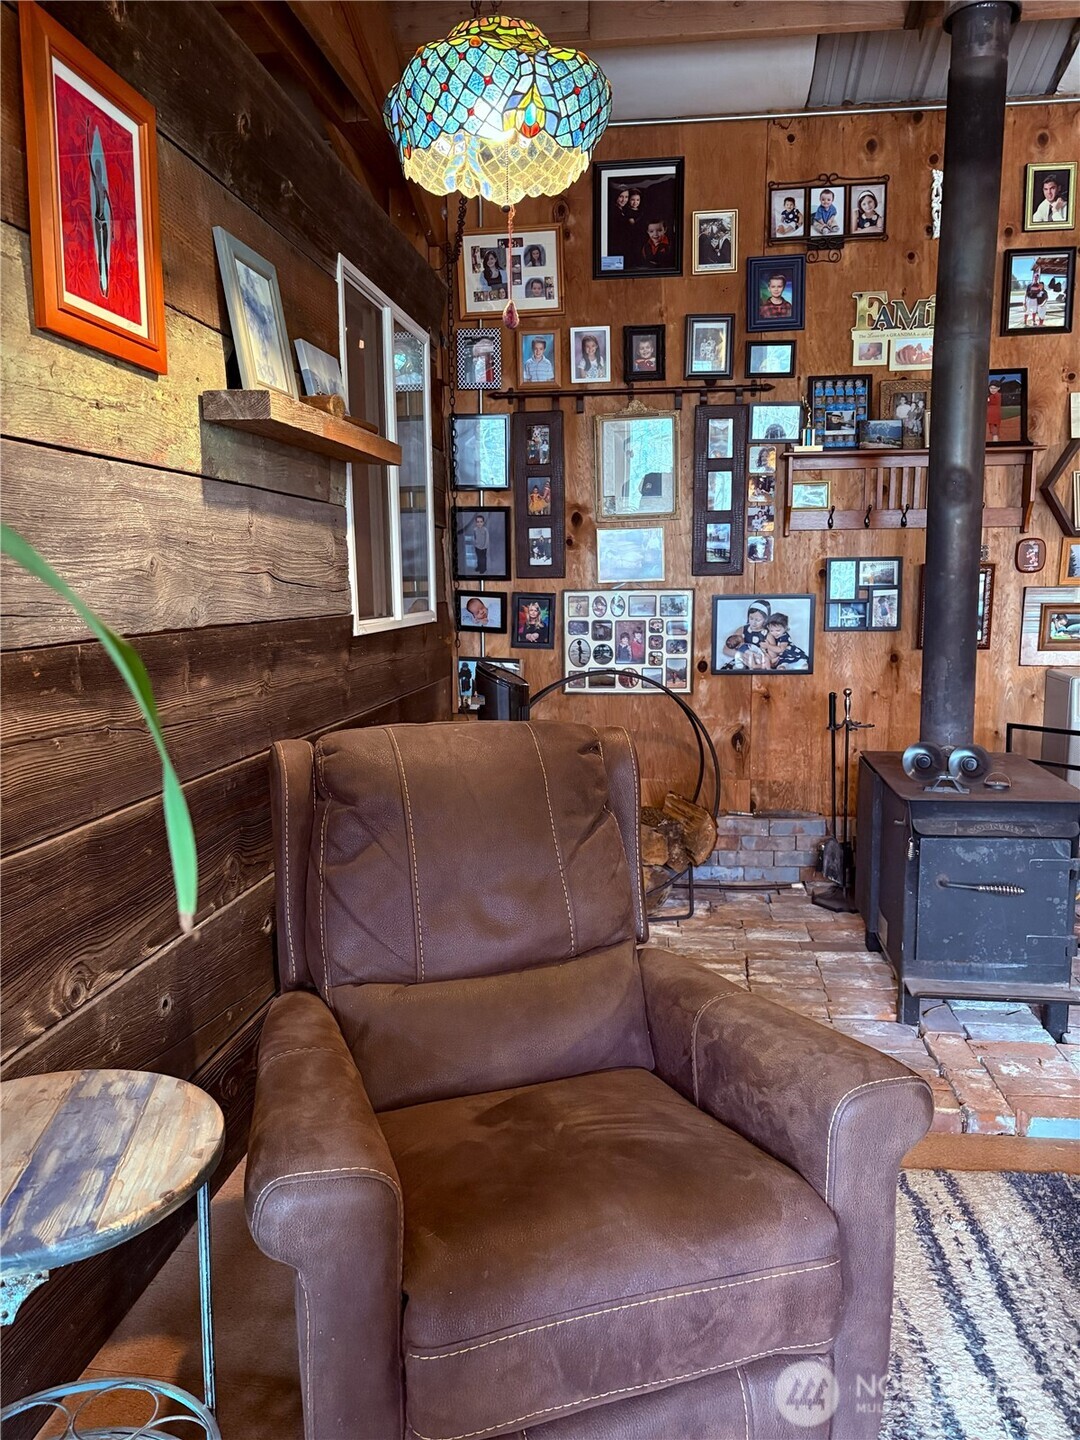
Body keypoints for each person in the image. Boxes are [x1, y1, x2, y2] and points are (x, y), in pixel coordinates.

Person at [722, 602, 771, 669]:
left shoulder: (767, 633)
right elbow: (726, 649)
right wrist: (742, 655)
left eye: (757, 620)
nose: (754, 622)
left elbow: (772, 656)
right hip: (742, 660)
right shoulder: (742, 630)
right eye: (751, 618)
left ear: (765, 619)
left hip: (759, 663)